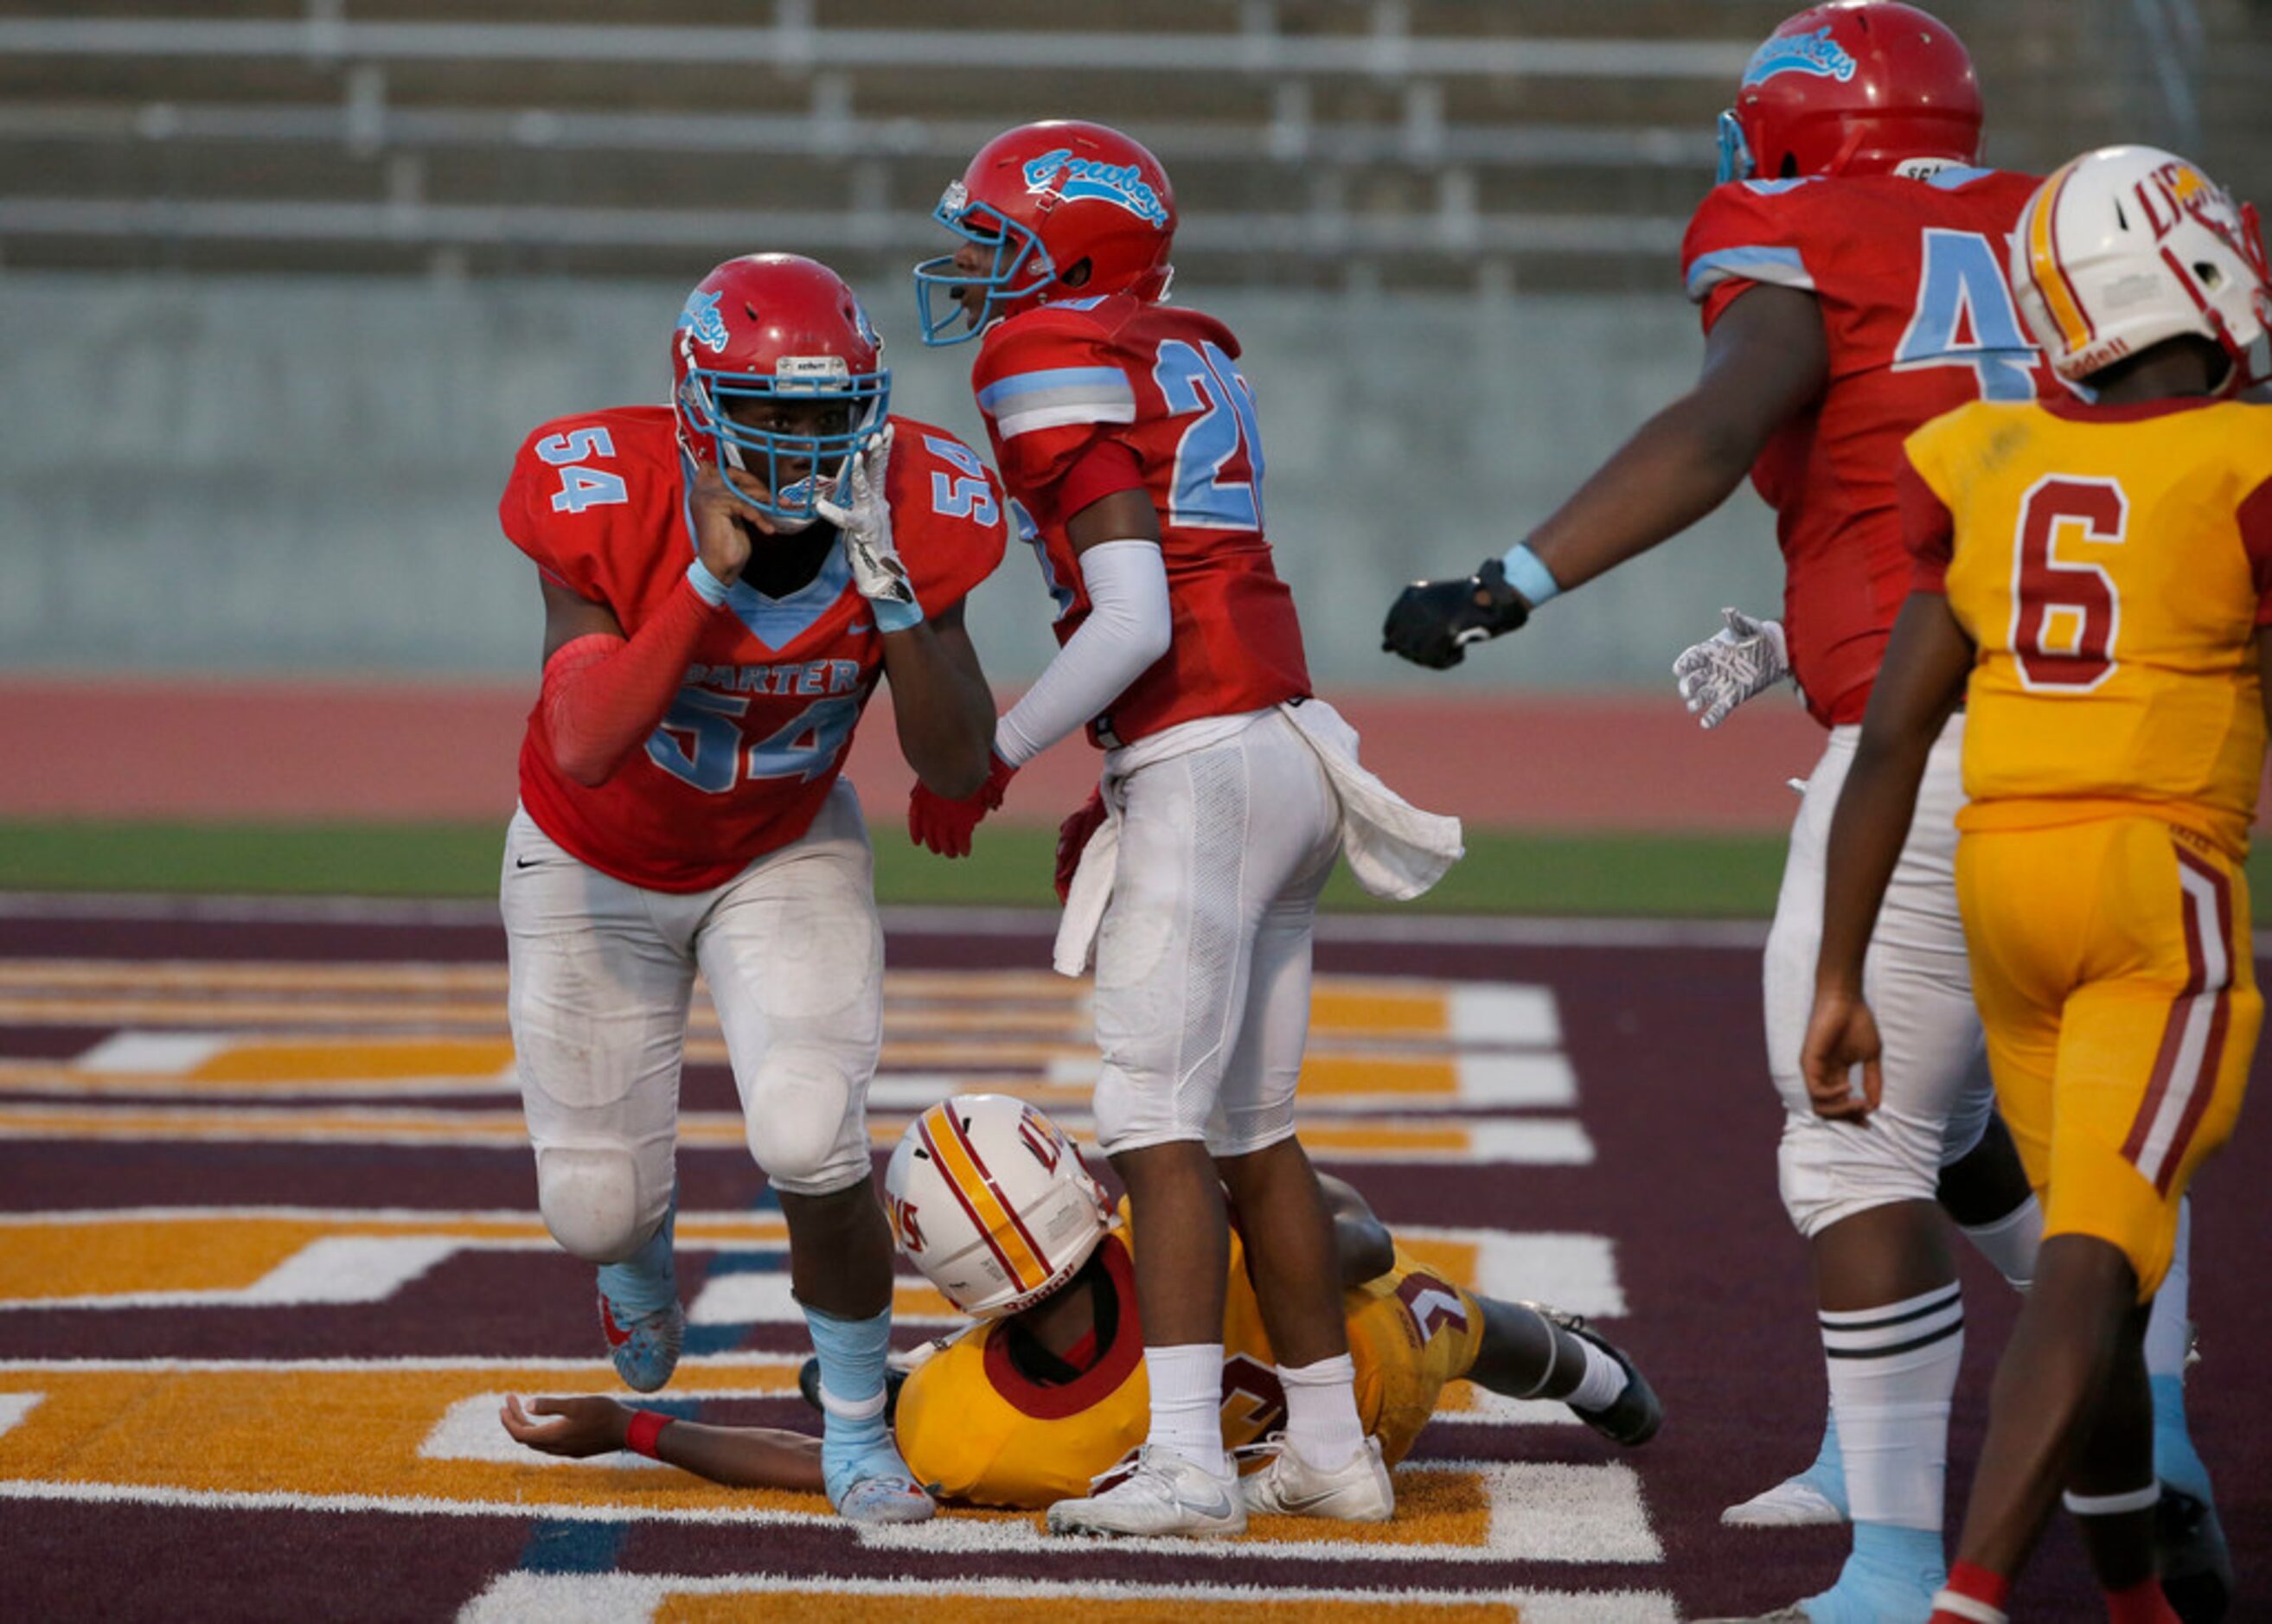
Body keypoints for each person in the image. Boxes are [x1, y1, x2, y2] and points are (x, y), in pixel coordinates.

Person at [1380, 7, 2218, 1619]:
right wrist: (1807, 629)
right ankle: (2129, 1433)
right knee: (2022, 1131)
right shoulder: (2061, 220)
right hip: (2113, 725)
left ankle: (1902, 1565)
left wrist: (1511, 580)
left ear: (1795, 132)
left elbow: (1726, 419)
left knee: (1856, 1142)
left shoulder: (1792, 220)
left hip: (1938, 743)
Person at [897, 118, 1469, 1538]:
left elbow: (1137, 608)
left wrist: (998, 757)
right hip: (1280, 739)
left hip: (1206, 746)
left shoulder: (1040, 356)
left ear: (1067, 244)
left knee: (1154, 1124)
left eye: (997, 239)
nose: (974, 267)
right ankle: (1333, 1448)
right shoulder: (1180, 343)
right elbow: (1177, 598)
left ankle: (1188, 1461)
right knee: (1251, 1132)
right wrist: (1109, 771)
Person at [1802, 144, 2270, 1624]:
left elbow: (1889, 737)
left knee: (2100, 1263)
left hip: (2003, 881)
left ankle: (2133, 1601)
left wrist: (1839, 972)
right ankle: (1974, 1595)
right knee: (2087, 1264)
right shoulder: (2248, 466)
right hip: (2156, 891)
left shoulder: (1989, 456)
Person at [496, 252, 1008, 1524]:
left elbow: (952, 754)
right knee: (592, 1204)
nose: (805, 442)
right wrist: (709, 580)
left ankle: (849, 1426)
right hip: (591, 853)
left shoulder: (913, 506)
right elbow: (586, 741)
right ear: (696, 406)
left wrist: (885, 581)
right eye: (770, 412)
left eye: (831, 413)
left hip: (780, 847)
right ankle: (637, 1259)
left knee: (808, 1131)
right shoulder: (604, 492)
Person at [501, 1094, 1661, 1516]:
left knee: (906, 1414)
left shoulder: (974, 1428)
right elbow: (1354, 1234)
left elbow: (814, 1467)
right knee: (1459, 1315)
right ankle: (1593, 1376)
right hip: (1360, 1375)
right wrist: (1271, 1230)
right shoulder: (1170, 1228)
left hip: (1104, 1431)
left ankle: (892, 1373)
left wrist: (632, 1426)